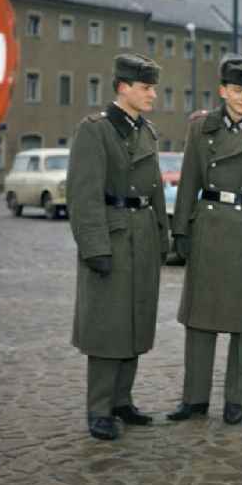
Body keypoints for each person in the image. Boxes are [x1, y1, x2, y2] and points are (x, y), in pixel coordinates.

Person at [168, 53, 242, 425]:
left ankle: (234, 401)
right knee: (199, 320)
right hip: (208, 227)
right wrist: (181, 231)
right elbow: (188, 181)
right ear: (222, 90)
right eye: (237, 90)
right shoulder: (200, 128)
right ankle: (194, 400)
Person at [66, 52, 169, 441]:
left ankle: (122, 400)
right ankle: (99, 409)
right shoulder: (96, 130)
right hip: (111, 236)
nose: (152, 95)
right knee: (108, 326)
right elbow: (83, 194)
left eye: (153, 88)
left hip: (140, 234)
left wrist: (162, 235)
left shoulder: (145, 130)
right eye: (145, 87)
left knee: (135, 320)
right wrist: (95, 247)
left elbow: (155, 188)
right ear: (123, 87)